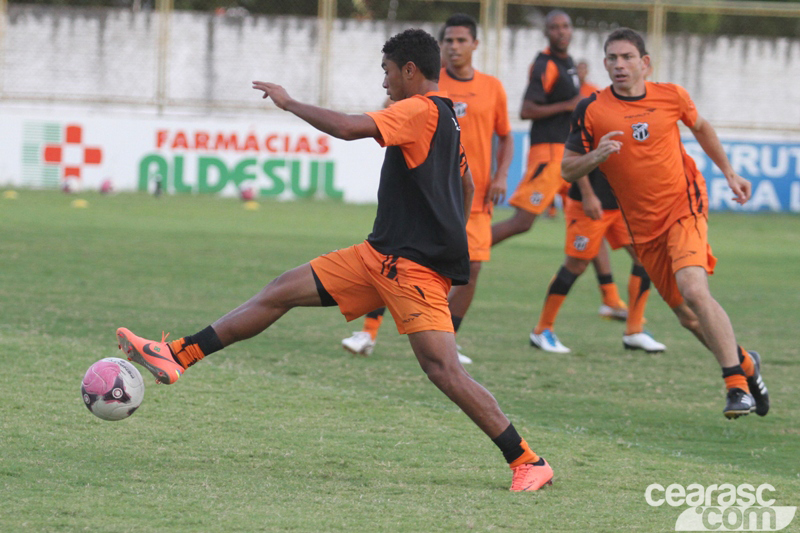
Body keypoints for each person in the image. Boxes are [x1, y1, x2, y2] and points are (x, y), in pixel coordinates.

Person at [116, 29, 553, 491]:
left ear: (409, 70)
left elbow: (348, 129)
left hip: (412, 270)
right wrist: (449, 233)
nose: (384, 83)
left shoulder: (420, 109)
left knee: (443, 369)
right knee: (281, 290)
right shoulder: (448, 118)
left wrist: (289, 103)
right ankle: (178, 355)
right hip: (377, 257)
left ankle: (528, 460)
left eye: (387, 72)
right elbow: (465, 184)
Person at [560, 27, 769, 419]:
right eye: (612, 58)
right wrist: (597, 156)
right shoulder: (591, 110)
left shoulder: (671, 96)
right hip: (643, 227)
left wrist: (728, 171)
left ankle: (735, 386)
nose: (619, 65)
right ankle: (747, 364)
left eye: (626, 57)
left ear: (645, 63)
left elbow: (702, 127)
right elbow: (568, 168)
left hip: (684, 205)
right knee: (687, 316)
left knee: (694, 287)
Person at [341, 14, 513, 364]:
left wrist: (500, 176)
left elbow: (505, 136)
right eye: (448, 40)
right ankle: (368, 331)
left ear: (475, 45)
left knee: (469, 270)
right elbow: (392, 123)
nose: (454, 46)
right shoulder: (425, 83)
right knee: (396, 260)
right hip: (427, 193)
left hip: (470, 197)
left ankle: (447, 339)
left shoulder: (492, 87)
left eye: (461, 40)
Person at [492, 10, 629, 322]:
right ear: (547, 33)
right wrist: (568, 105)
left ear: (571, 30)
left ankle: (610, 298)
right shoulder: (545, 64)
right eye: (554, 27)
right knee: (523, 222)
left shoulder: (568, 64)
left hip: (569, 156)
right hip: (549, 155)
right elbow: (527, 109)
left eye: (565, 26)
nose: (561, 31)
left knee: (592, 222)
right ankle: (463, 253)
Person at [528, 171, 666, 354]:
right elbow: (576, 157)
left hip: (622, 204)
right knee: (576, 265)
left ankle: (634, 331)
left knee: (645, 257)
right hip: (587, 204)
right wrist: (588, 194)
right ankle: (542, 330)